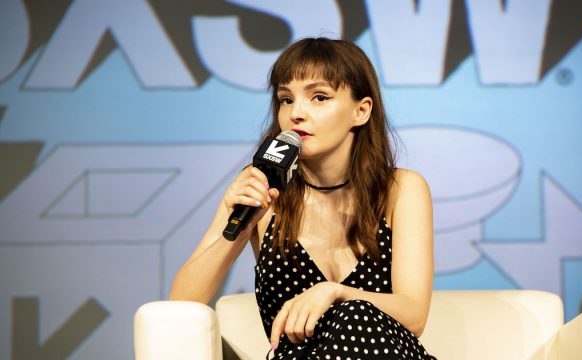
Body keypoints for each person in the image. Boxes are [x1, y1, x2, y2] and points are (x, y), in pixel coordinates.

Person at [170, 37, 436, 359]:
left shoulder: (401, 190)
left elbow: (414, 314)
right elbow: (180, 305)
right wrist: (240, 228)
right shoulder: (261, 187)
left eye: (319, 97)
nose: (296, 113)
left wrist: (335, 293)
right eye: (286, 99)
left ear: (361, 111)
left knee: (358, 317)